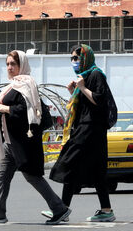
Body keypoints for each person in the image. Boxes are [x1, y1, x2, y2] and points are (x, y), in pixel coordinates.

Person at [0, 50, 70, 225]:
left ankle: (59, 208)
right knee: (2, 175)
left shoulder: (27, 84)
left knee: (32, 177)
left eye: (13, 64)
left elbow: (26, 111)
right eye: (7, 64)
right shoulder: (13, 86)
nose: (10, 67)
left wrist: (5, 109)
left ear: (22, 65)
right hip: (10, 142)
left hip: (23, 143)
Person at [49, 44, 115, 223]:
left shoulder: (96, 74)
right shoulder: (84, 77)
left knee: (69, 162)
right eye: (72, 59)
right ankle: (105, 210)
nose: (74, 62)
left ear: (86, 58)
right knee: (96, 171)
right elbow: (82, 105)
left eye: (76, 58)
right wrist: (74, 91)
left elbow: (100, 100)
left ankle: (61, 208)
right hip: (87, 128)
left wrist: (83, 88)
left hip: (90, 129)